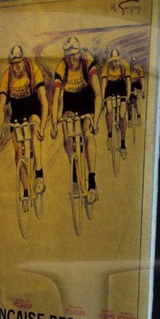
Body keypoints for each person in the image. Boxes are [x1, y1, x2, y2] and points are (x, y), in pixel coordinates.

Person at [50, 36, 101, 201]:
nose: (71, 60)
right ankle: (74, 168)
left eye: (74, 55)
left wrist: (95, 120)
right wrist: (54, 123)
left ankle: (91, 181)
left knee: (87, 135)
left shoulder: (87, 60)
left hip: (86, 98)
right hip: (70, 100)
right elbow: (56, 97)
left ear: (79, 53)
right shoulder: (62, 65)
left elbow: (98, 94)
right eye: (68, 56)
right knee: (67, 133)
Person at [0, 44, 50, 200]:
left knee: (34, 128)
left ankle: (39, 174)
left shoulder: (34, 70)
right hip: (17, 113)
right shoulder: (7, 76)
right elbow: (1, 105)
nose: (14, 68)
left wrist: (42, 127)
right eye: (12, 64)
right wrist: (0, 129)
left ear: (24, 60)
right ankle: (26, 190)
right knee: (18, 153)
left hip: (33, 109)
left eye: (17, 63)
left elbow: (44, 101)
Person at [99, 47, 132, 154]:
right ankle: (109, 134)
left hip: (121, 86)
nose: (114, 63)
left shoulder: (124, 65)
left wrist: (127, 97)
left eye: (116, 60)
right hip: (110, 87)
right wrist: (103, 99)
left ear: (119, 59)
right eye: (112, 61)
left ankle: (123, 143)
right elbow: (104, 85)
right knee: (109, 109)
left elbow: (128, 83)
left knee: (122, 115)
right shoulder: (106, 67)